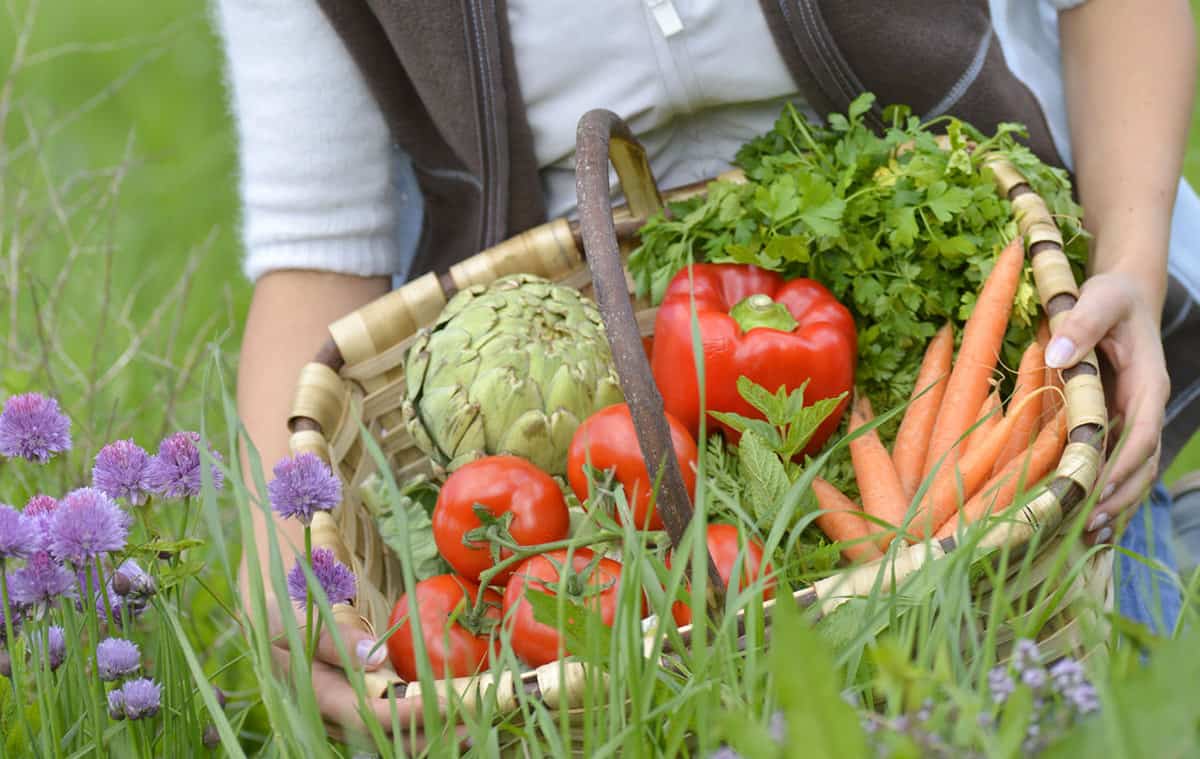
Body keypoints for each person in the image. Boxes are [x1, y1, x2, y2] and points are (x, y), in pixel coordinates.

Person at [216, 0, 1199, 741]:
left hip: (1047, 391)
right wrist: (288, 564)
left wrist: (1131, 266)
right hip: (588, 415)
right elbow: (316, 242)